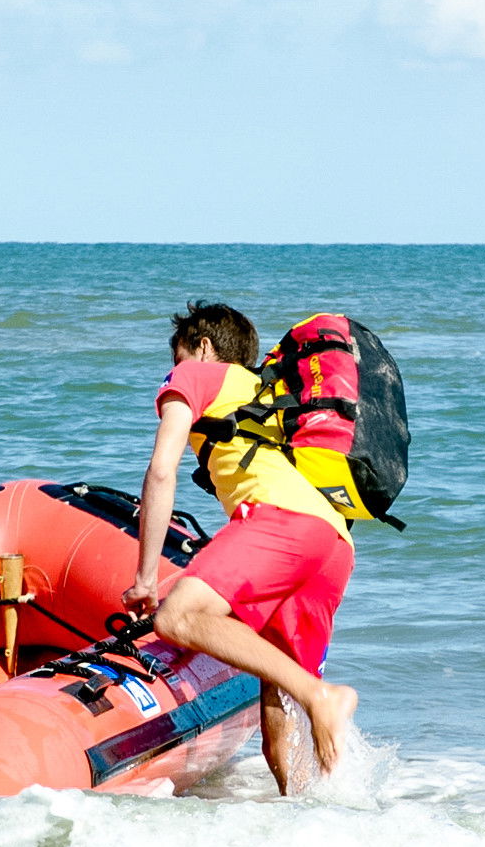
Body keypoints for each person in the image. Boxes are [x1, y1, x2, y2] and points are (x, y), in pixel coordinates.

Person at [121, 302, 358, 794]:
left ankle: (322, 696)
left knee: (177, 616)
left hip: (282, 520)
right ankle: (316, 809)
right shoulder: (265, 392)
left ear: (203, 349)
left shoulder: (195, 375)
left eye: (179, 355)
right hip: (332, 541)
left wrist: (145, 579)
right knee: (280, 710)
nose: (174, 369)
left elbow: (162, 470)